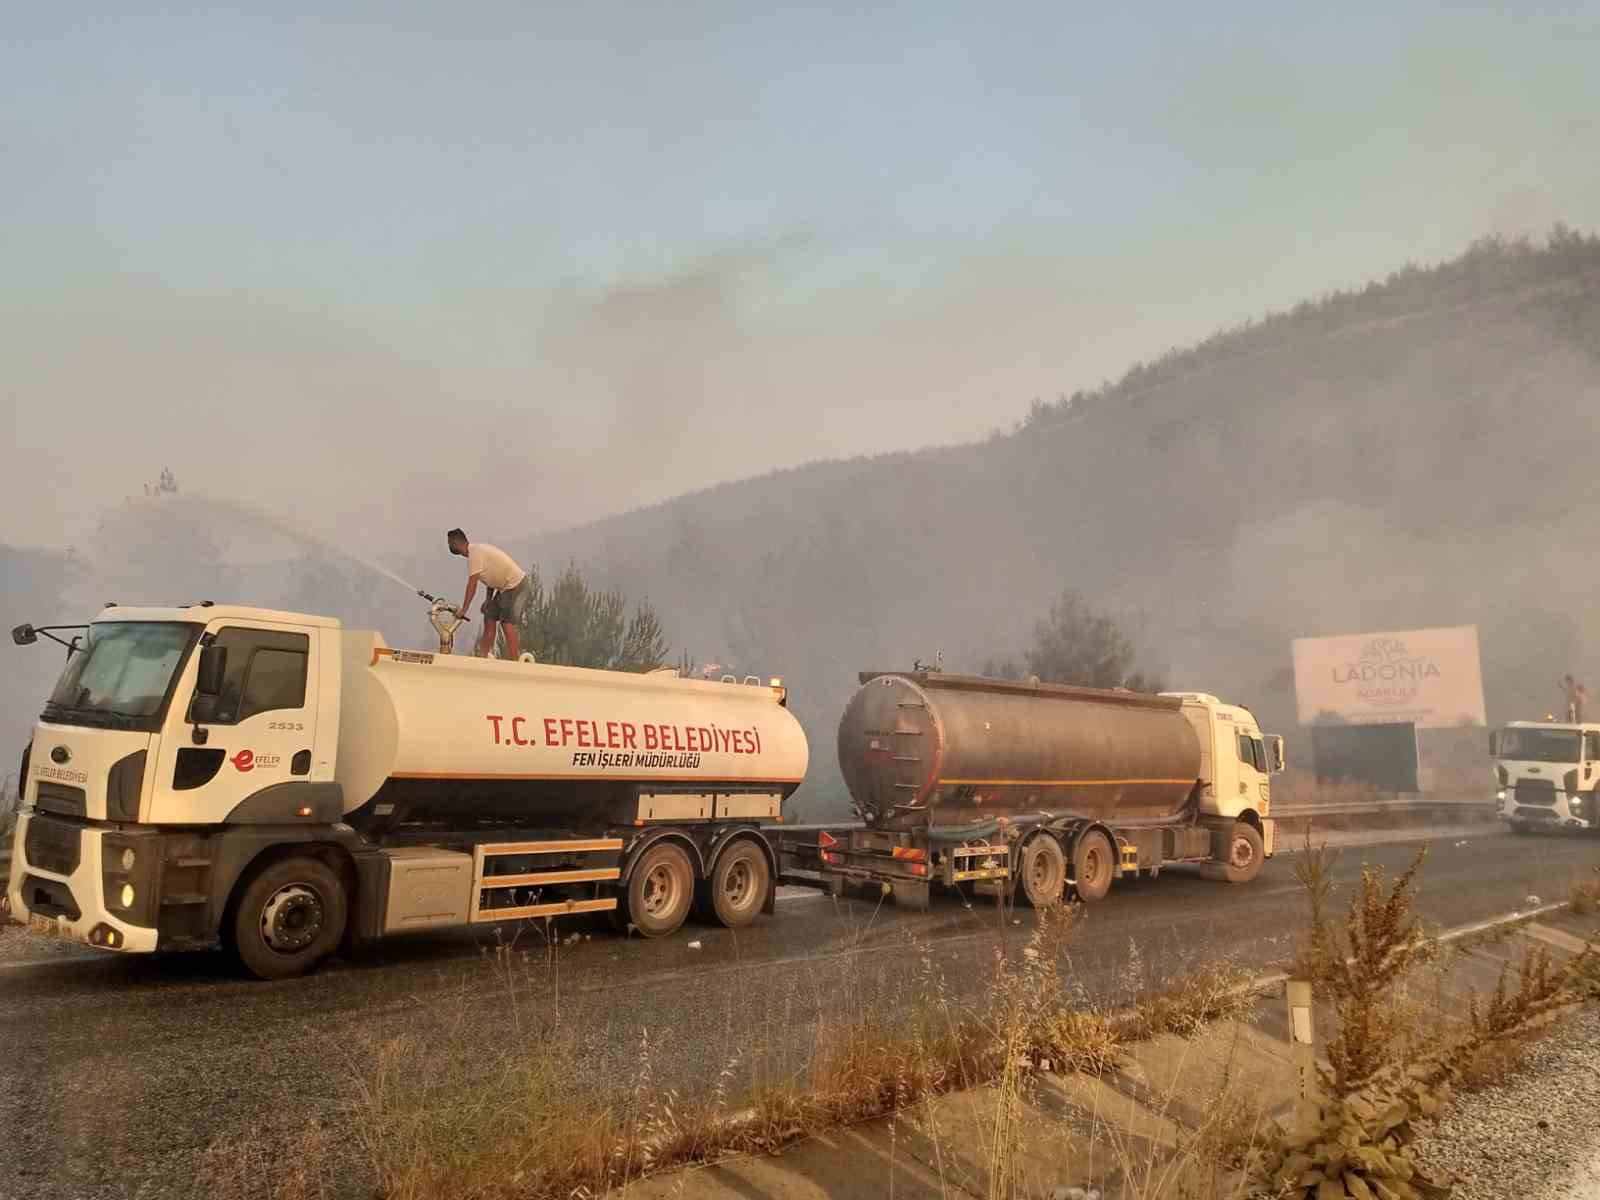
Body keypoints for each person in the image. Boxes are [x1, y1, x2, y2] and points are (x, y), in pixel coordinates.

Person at [446, 529, 533, 659]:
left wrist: (464, 609)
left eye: (449, 544)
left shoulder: (474, 554)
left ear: (456, 543)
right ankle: (484, 657)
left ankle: (515, 660)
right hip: (504, 588)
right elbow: (490, 577)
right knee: (489, 616)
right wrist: (488, 600)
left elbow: (472, 585)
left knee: (506, 621)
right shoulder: (476, 553)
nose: (449, 547)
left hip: (516, 584)